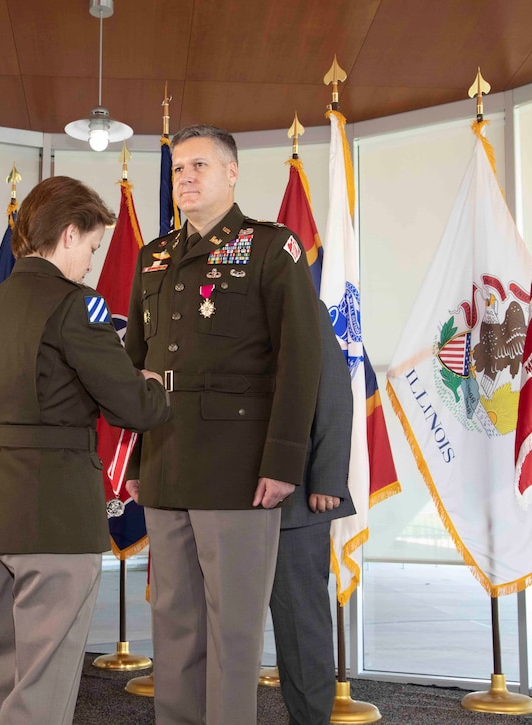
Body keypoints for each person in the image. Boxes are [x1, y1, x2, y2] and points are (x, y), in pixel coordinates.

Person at [124, 124, 322, 723]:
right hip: (164, 461)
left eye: (199, 166)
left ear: (232, 173)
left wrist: (284, 460)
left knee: (233, 634)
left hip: (239, 471)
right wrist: (135, 459)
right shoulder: (151, 256)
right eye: (179, 168)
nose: (185, 177)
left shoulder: (271, 247)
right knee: (174, 628)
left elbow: (301, 359)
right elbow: (136, 363)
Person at [0, 175, 172, 725]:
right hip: (52, 511)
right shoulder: (80, 307)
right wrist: (151, 382)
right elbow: (134, 408)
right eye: (94, 248)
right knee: (42, 682)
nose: (92, 263)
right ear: (71, 234)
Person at [270, 299, 355, 725]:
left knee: (302, 627)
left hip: (299, 496)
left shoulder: (301, 305)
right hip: (223, 496)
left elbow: (334, 392)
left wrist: (325, 478)